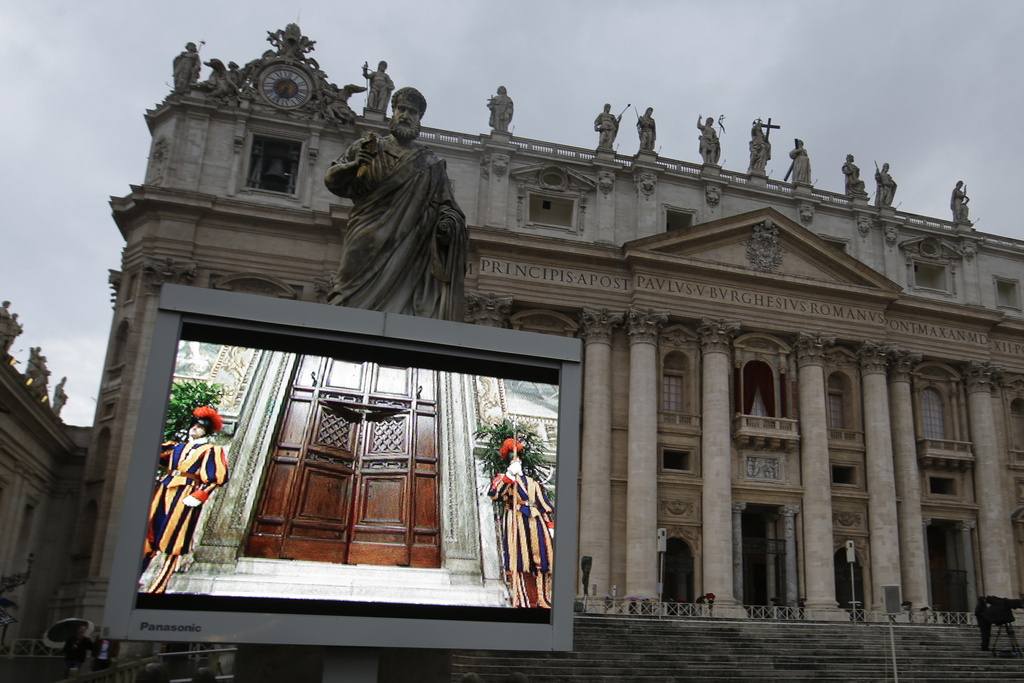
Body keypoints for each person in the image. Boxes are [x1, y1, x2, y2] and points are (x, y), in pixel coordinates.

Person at [324, 87, 468, 321]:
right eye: (401, 108)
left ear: (419, 118)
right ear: (393, 111)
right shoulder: (368, 147)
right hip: (366, 235)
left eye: (412, 111)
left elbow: (448, 207)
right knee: (344, 294)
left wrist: (448, 225)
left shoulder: (432, 163)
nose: (405, 115)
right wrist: (354, 165)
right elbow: (331, 180)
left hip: (410, 245)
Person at [143, 406, 229, 593]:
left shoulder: (211, 450)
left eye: (199, 427)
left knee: (174, 538)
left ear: (206, 430)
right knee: (149, 533)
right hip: (164, 489)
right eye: (194, 426)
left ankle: (159, 587)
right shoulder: (178, 446)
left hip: (185, 494)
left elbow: (216, 477)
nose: (194, 429)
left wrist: (199, 496)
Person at [488, 438, 555, 608]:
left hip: (536, 521)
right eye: (512, 458)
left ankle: (543, 598)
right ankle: (524, 600)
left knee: (541, 558)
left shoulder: (533, 483)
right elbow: (496, 494)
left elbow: (544, 505)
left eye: (517, 458)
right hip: (516, 520)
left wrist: (550, 527)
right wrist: (509, 476)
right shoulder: (503, 479)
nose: (516, 460)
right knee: (520, 559)